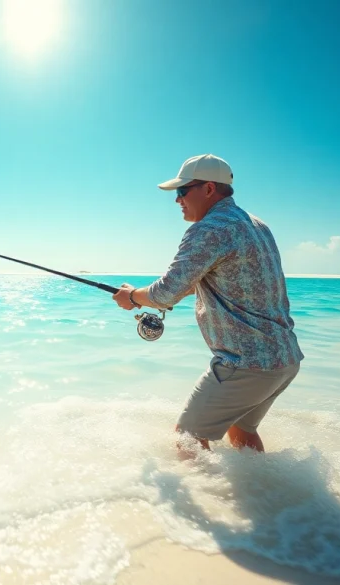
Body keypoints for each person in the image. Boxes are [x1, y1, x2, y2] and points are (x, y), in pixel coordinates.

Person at [112, 154, 303, 453]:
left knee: (186, 438)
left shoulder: (209, 229)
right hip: (285, 360)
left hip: (245, 363)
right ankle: (266, 497)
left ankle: (202, 498)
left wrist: (133, 297)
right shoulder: (257, 225)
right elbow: (215, 281)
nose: (177, 200)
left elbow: (166, 293)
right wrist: (144, 294)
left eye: (182, 191)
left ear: (210, 189)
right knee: (242, 430)